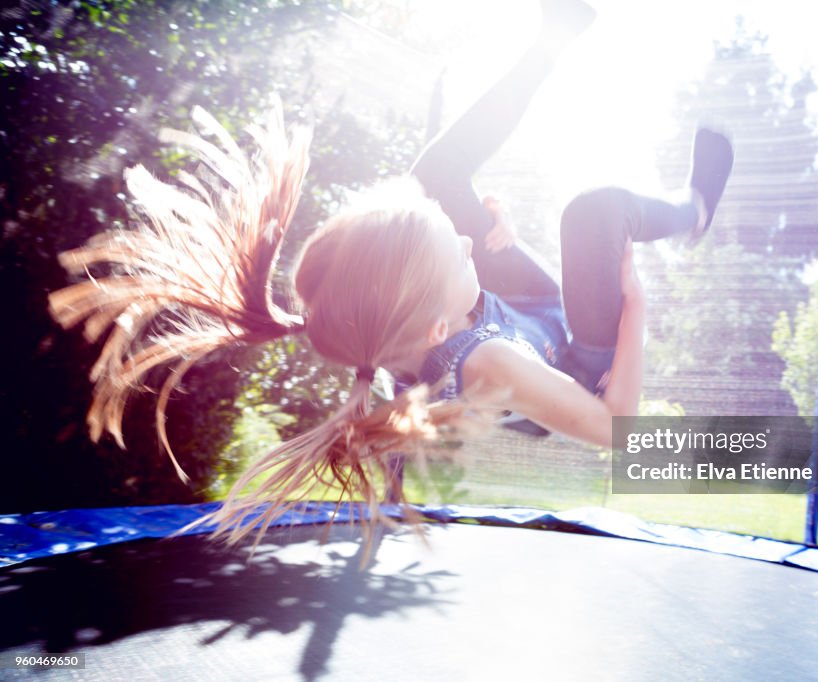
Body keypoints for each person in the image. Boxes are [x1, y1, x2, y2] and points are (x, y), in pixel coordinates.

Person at [48, 0, 733, 545]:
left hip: (506, 316)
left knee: (433, 179)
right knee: (592, 214)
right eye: (457, 248)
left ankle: (550, 43)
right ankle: (694, 213)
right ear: (440, 318)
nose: (471, 244)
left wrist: (489, 245)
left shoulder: (395, 326)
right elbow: (619, 432)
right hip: (572, 362)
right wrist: (635, 306)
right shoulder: (493, 366)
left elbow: (418, 302)